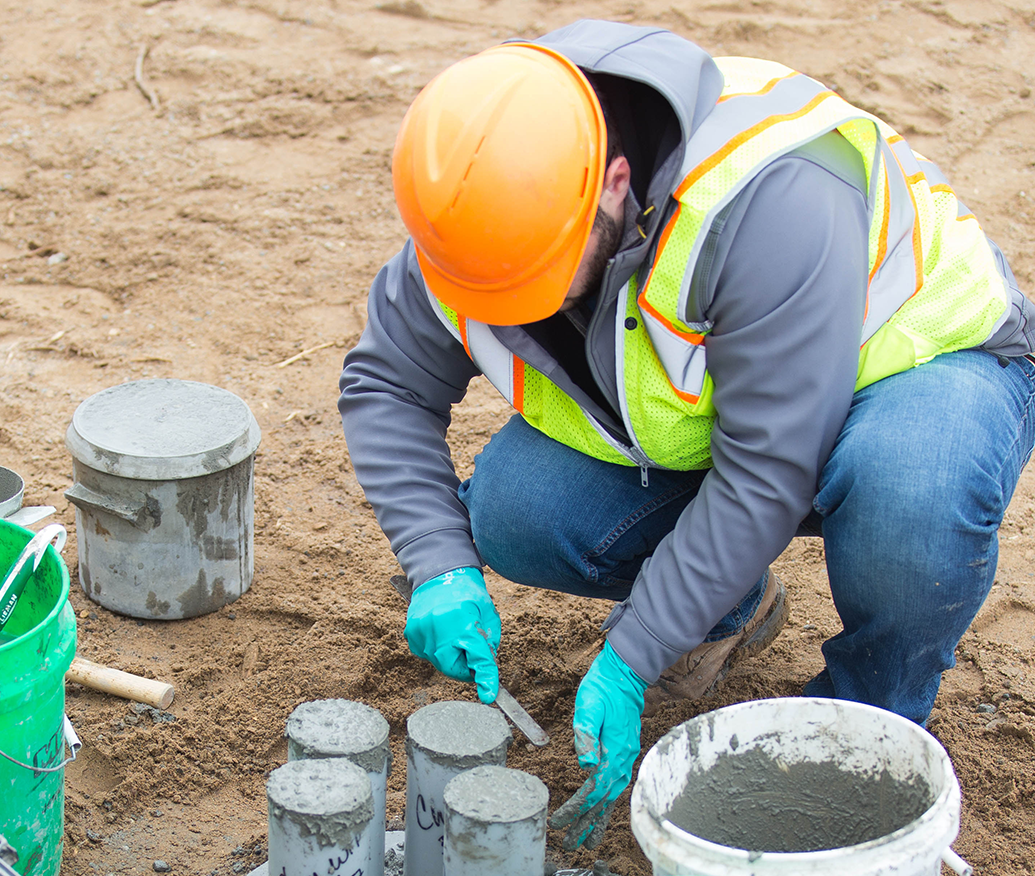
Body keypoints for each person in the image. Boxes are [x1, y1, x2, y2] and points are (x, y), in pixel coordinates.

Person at [338, 18, 1035, 848]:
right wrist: (438, 564)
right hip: (733, 422)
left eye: (540, 279)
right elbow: (385, 383)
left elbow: (767, 469)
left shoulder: (769, 197)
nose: (519, 310)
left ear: (613, 184)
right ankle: (727, 609)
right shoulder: (478, 219)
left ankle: (865, 727)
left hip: (913, 376)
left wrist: (634, 653)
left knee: (908, 492)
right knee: (516, 510)